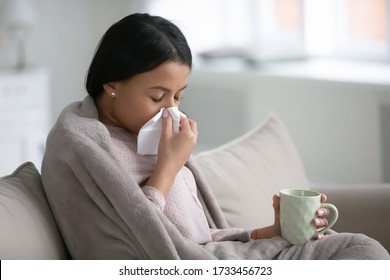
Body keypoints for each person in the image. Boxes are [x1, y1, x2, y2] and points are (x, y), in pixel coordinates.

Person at [41, 13, 389, 259]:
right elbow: (136, 250)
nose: (170, 110)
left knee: (360, 249)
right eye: (157, 96)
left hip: (223, 255)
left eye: (178, 97)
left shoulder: (147, 135)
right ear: (112, 84)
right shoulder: (81, 143)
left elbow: (201, 239)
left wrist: (274, 231)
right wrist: (168, 168)